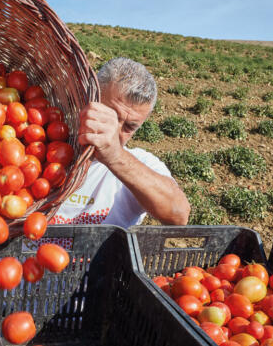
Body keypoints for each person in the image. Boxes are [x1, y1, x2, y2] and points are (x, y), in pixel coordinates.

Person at [51, 57, 190, 227]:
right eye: (110, 116)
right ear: (89, 99)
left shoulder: (140, 163)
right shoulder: (47, 147)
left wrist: (115, 156)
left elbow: (179, 215)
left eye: (129, 127)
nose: (114, 133)